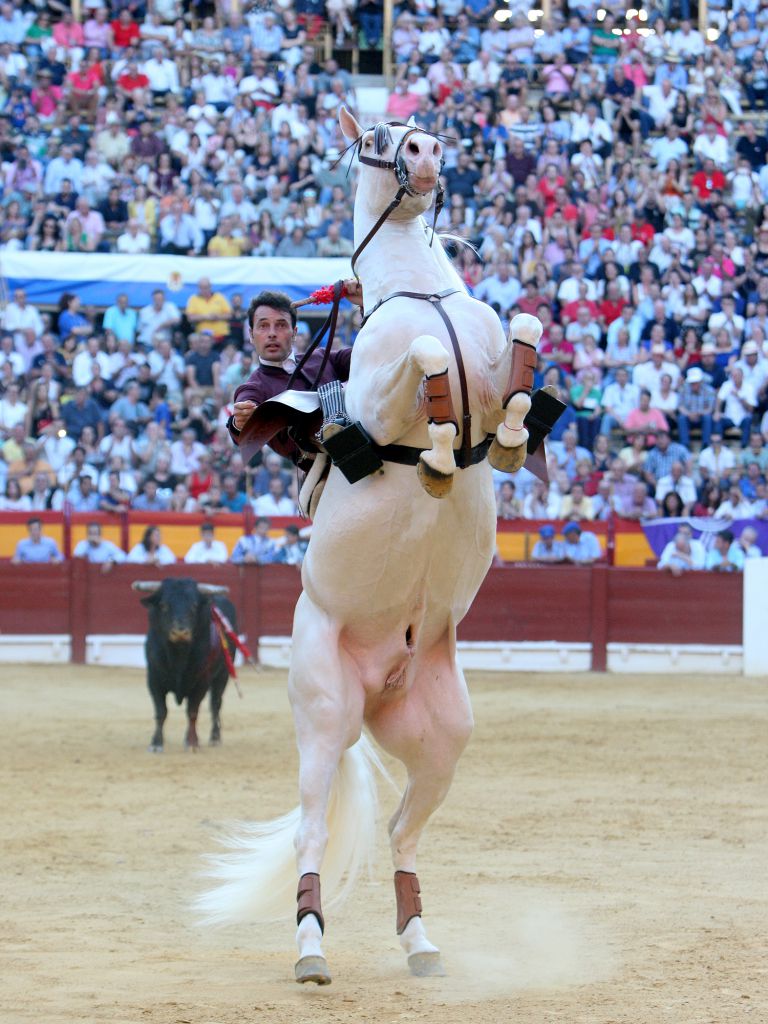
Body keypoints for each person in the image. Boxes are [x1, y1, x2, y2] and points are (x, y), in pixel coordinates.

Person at [228, 286, 361, 466]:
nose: (272, 333)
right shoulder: (253, 388)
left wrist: (364, 305)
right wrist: (239, 422)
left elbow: (369, 353)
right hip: (322, 481)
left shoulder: (324, 357)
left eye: (281, 325)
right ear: (251, 335)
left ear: (295, 333)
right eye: (263, 326)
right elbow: (242, 435)